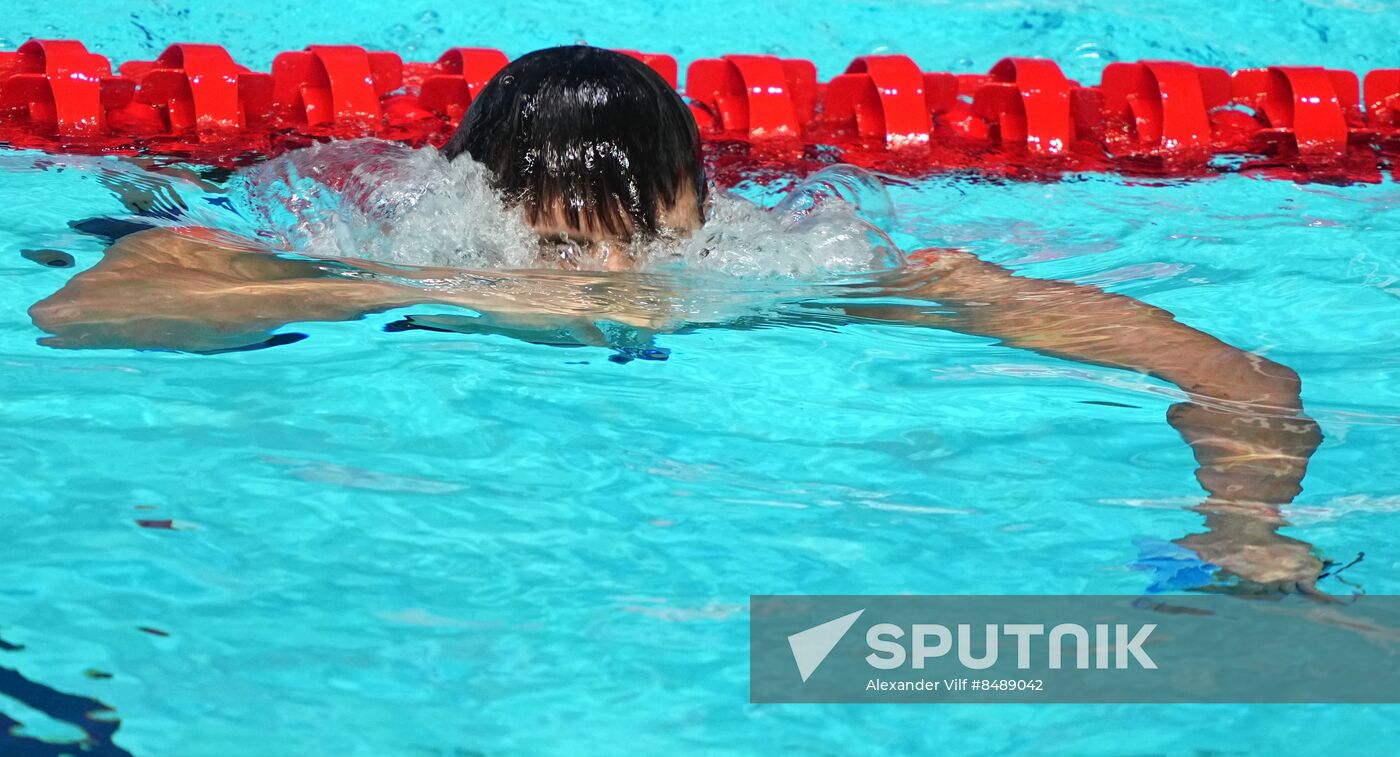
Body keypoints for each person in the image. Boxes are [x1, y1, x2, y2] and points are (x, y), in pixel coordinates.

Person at [26, 46, 1326, 595]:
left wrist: (1248, 532)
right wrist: (434, 288)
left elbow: (1224, 372)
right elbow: (86, 307)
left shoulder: (797, 261)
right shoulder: (377, 237)